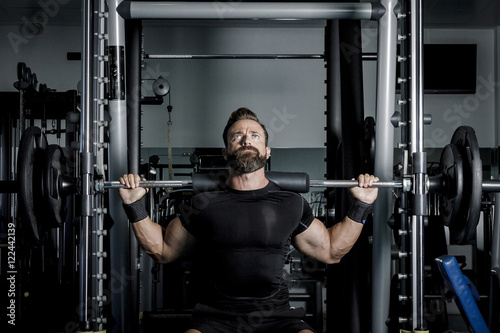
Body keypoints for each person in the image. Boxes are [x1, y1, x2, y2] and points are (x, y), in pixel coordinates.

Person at [119, 107, 379, 333]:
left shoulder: (291, 203)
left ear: (266, 151)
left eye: (254, 136)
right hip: (215, 318)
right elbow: (162, 250)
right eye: (237, 136)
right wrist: (133, 204)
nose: (246, 140)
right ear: (226, 152)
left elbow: (332, 251)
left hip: (276, 316)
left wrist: (362, 205)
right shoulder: (201, 204)